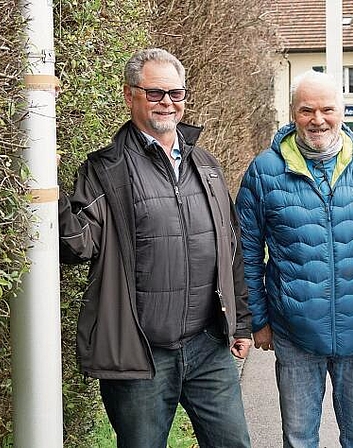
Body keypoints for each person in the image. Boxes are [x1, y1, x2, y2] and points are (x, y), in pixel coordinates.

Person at [58, 48, 252, 448]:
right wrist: (48, 191)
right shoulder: (106, 170)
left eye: (176, 93)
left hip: (208, 349)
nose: (167, 102)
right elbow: (76, 246)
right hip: (141, 357)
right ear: (130, 95)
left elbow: (231, 248)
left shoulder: (208, 166)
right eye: (155, 93)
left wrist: (242, 322)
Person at [236, 69, 353, 448]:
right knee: (299, 438)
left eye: (327, 109)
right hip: (293, 332)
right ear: (293, 113)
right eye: (306, 110)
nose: (318, 120)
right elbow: (246, 252)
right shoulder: (265, 171)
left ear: (342, 111)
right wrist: (257, 319)